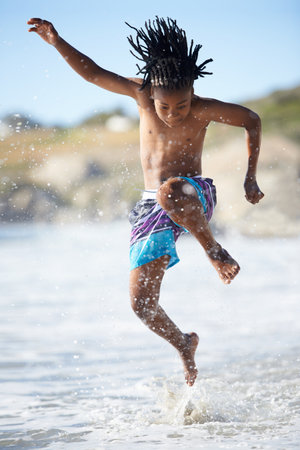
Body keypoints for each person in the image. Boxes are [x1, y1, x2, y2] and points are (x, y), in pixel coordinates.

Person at [27, 17, 264, 386]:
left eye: (181, 105)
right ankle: (184, 344)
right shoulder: (140, 95)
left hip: (192, 194)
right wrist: (57, 42)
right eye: (164, 107)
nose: (173, 115)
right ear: (151, 93)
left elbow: (251, 119)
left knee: (171, 190)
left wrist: (250, 176)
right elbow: (93, 74)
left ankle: (215, 251)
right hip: (151, 206)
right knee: (141, 304)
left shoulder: (204, 109)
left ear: (193, 93)